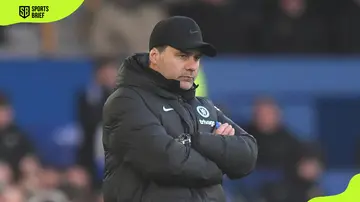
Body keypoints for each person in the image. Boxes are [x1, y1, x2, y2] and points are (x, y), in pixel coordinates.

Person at [102, 16, 258, 202]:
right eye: (182, 56)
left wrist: (196, 141)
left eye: (197, 58)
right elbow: (167, 163)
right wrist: (221, 164)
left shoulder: (203, 106)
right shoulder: (126, 101)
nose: (192, 66)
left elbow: (248, 153)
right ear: (154, 56)